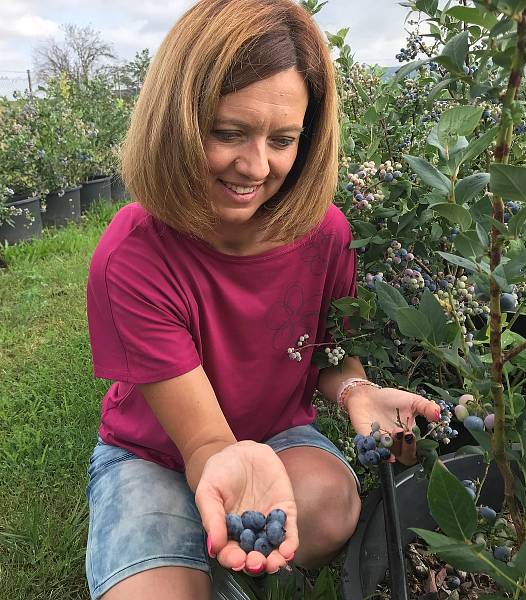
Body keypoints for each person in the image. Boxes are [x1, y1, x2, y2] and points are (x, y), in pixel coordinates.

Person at [84, 1, 442, 598]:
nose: (255, 166)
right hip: (157, 454)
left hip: (277, 436)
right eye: (228, 133)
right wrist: (222, 465)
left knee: (329, 509)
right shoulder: (134, 254)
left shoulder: (326, 234)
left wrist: (356, 390)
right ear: (176, 120)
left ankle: (214, 551)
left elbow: (330, 353)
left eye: (283, 140)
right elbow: (202, 441)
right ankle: (192, 547)